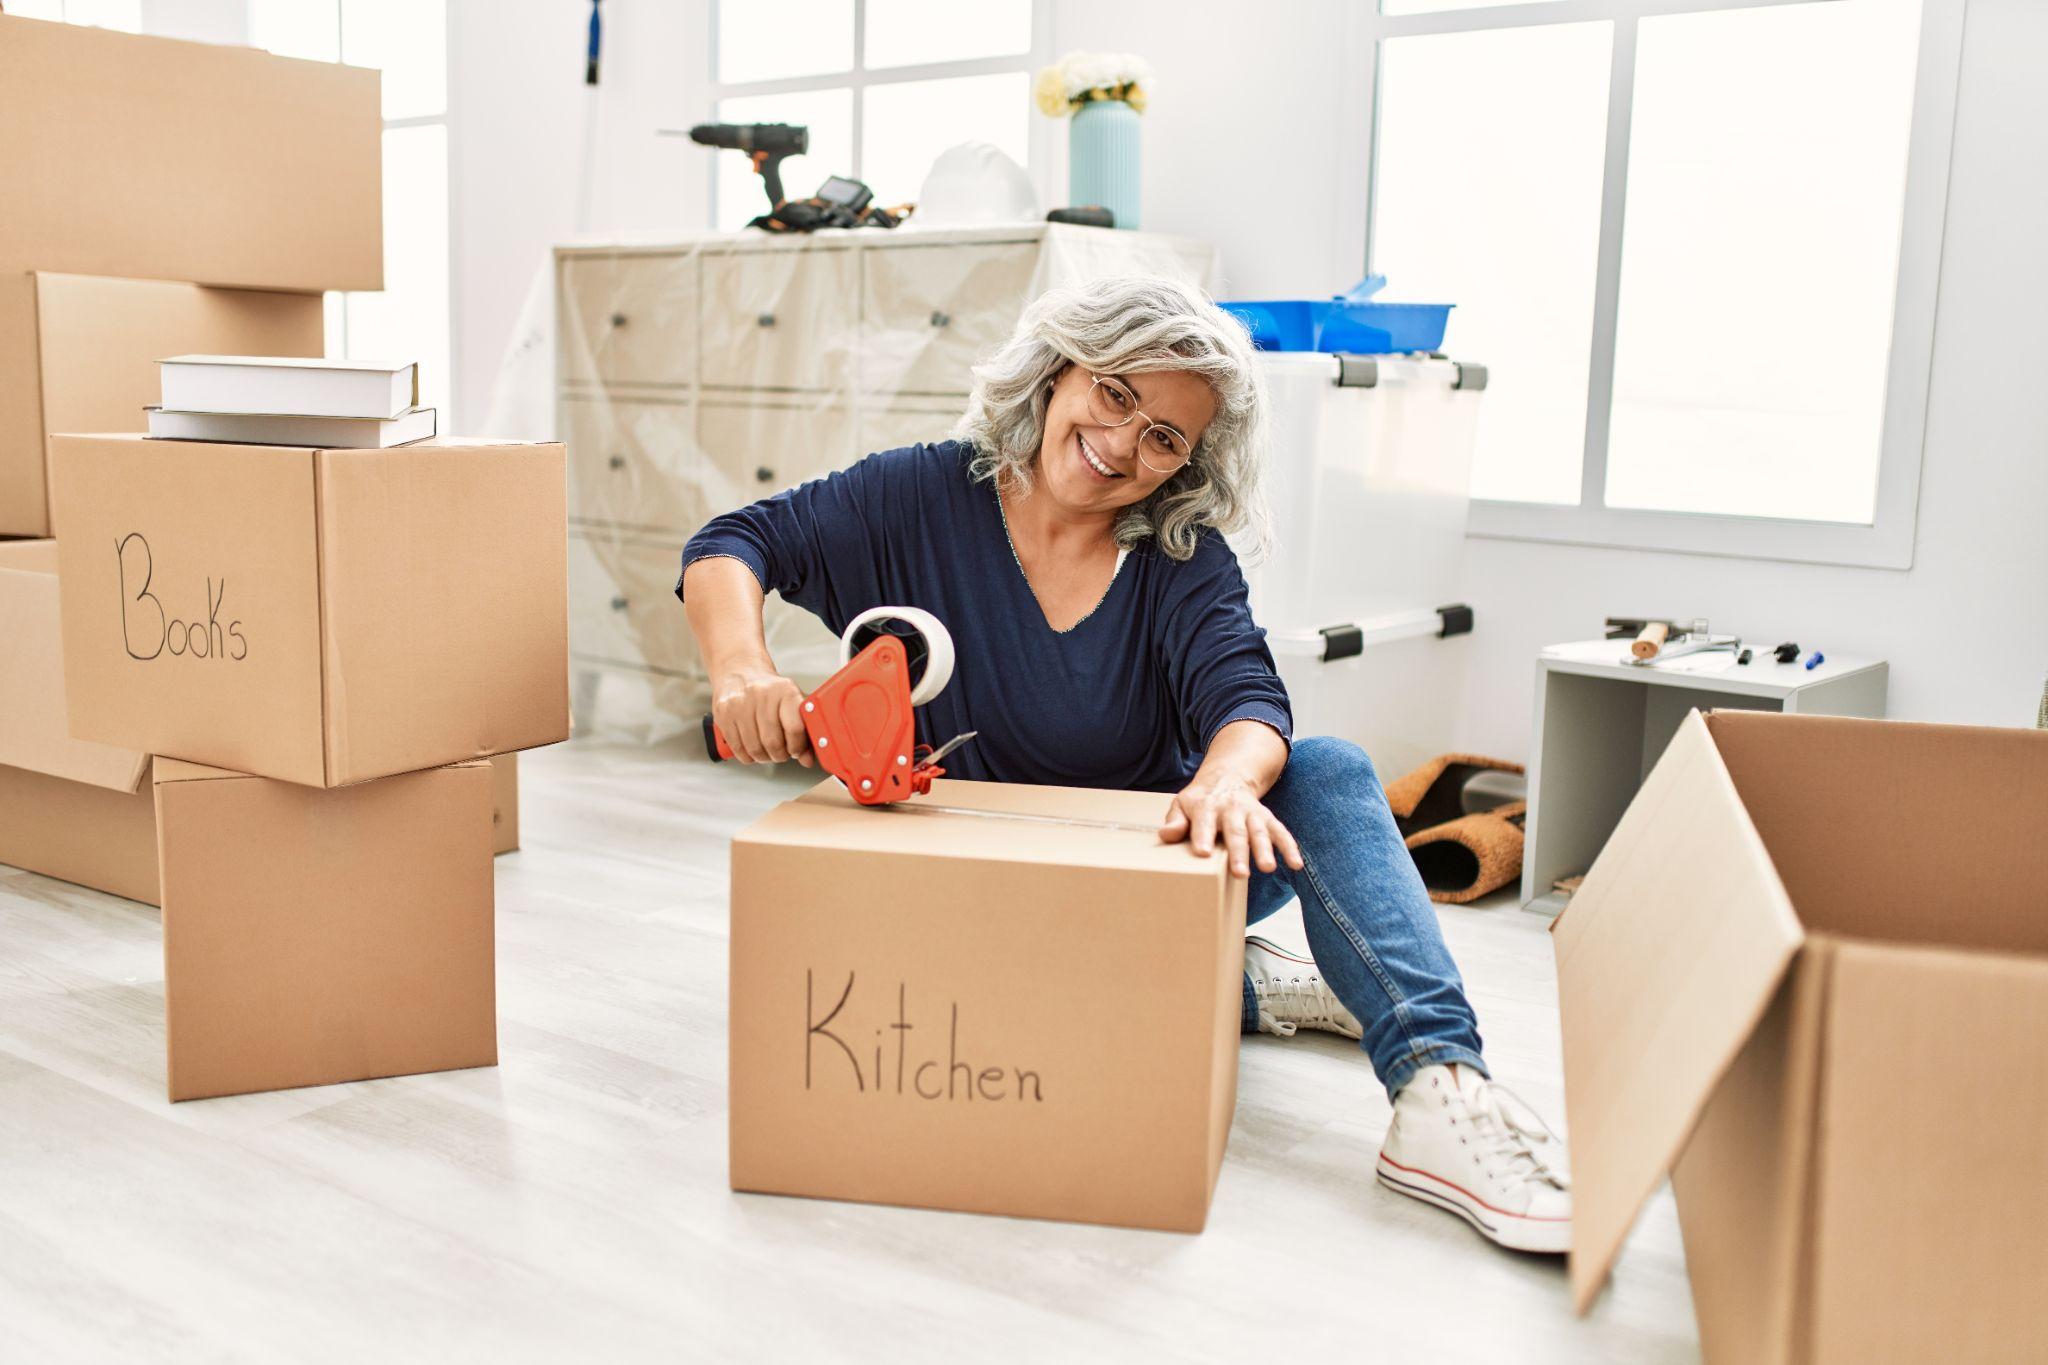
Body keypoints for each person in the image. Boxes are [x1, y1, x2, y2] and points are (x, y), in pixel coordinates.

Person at [677, 274, 1570, 1253]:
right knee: (1019, 998)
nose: (1121, 445)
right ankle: (1255, 987)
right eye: (1114, 396)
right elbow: (734, 545)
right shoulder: (920, 496)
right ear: (1059, 372)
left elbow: (1249, 701)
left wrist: (1225, 779)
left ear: (1185, 464)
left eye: (1164, 438)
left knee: (1324, 768)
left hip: (1155, 871)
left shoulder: (1180, 556)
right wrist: (741, 671)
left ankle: (1440, 1088)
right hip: (982, 891)